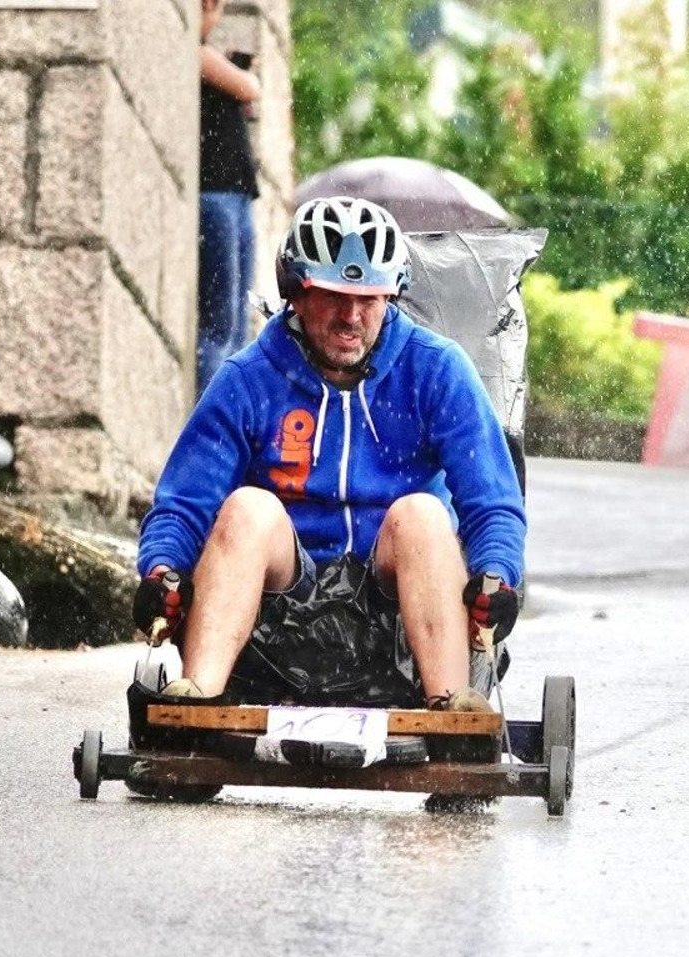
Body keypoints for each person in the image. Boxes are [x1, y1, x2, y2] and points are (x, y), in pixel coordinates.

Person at [132, 196, 526, 714]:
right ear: (296, 293)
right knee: (249, 508)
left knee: (423, 514)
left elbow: (492, 503)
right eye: (334, 296)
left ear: (393, 296)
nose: (352, 317)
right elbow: (183, 504)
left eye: (370, 299)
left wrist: (497, 575)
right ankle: (198, 697)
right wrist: (161, 572)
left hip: (400, 619)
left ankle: (451, 707)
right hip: (278, 620)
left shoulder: (437, 370)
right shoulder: (247, 380)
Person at [197, 0, 261, 396]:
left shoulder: (207, 58)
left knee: (236, 327)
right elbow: (250, 87)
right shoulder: (196, 54)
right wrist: (238, 75)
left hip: (233, 197)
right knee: (219, 325)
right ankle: (212, 417)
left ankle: (229, 413)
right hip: (216, 196)